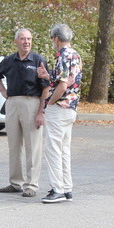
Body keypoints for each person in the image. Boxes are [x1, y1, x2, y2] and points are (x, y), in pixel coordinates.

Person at [0, 28, 49, 197]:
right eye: (23, 39)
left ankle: (31, 185)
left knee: (33, 146)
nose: (26, 42)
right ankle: (15, 182)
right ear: (16, 41)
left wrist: (41, 112)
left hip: (32, 102)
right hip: (12, 103)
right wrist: (2, 90)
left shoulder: (38, 60)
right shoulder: (9, 60)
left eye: (29, 39)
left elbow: (45, 88)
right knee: (14, 145)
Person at [37, 23, 82, 204]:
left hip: (60, 107)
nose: (53, 43)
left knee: (53, 149)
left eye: (52, 39)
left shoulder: (62, 55)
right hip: (71, 107)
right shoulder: (75, 55)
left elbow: (62, 84)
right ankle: (66, 187)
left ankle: (58, 189)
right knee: (64, 149)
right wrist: (48, 76)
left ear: (56, 38)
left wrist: (50, 103)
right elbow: (66, 80)